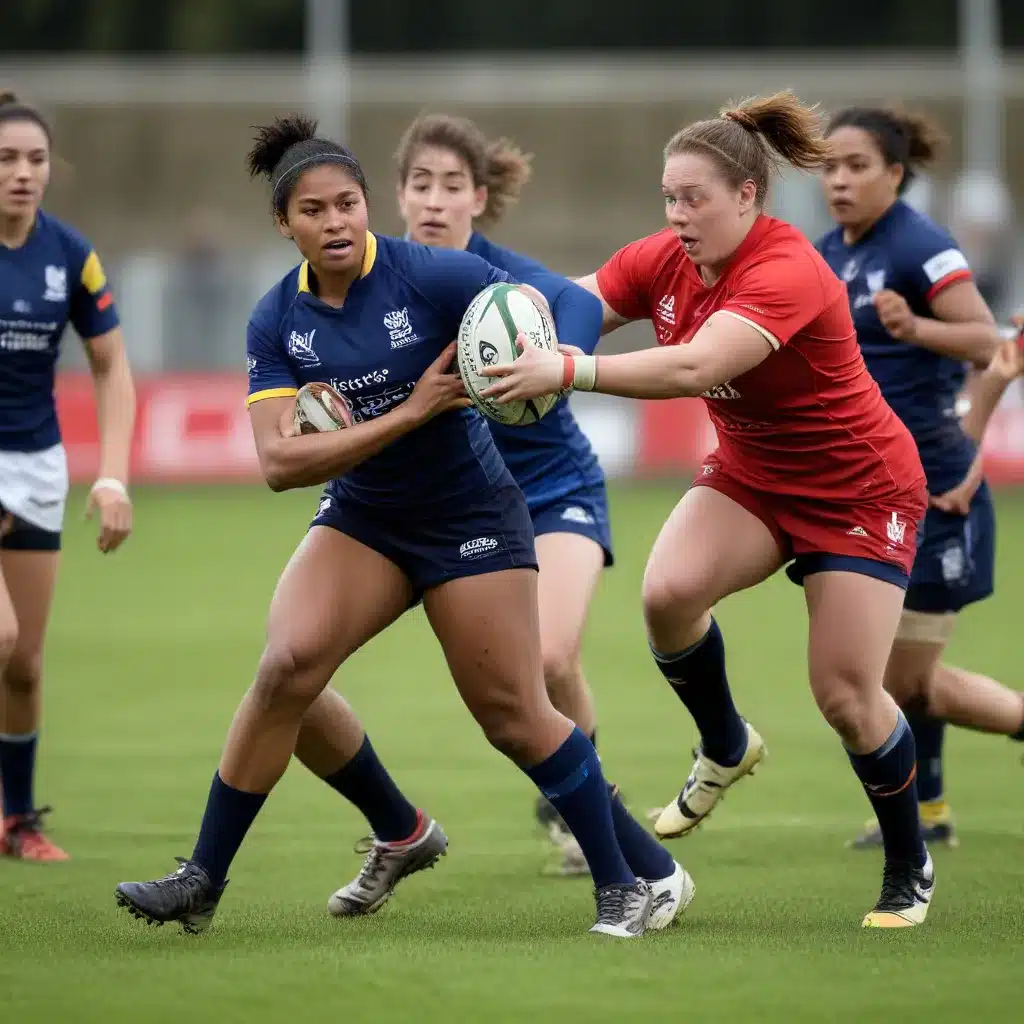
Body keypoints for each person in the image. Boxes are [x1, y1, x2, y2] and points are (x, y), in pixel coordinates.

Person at [114, 115, 689, 939]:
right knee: (287, 670)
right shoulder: (276, 321)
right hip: (367, 517)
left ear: (366, 204)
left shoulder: (432, 274)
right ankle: (204, 876)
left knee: (516, 717)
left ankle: (621, 884)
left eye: (348, 204)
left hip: (470, 518)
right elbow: (278, 464)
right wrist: (408, 412)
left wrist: (549, 361)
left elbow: (567, 300)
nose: (336, 222)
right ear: (286, 225)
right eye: (314, 211)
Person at [480, 91, 937, 928]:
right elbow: (574, 300)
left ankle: (909, 863)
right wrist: (503, 319)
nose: (678, 213)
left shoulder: (787, 268)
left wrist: (567, 371)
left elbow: (693, 369)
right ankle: (726, 743)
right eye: (668, 196)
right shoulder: (665, 258)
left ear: (748, 198)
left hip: (859, 490)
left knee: (844, 694)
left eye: (694, 198)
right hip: (756, 475)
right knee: (666, 595)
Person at [392, 113, 612, 875]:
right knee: (515, 683)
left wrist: (564, 356)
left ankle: (584, 806)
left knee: (551, 659)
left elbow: (580, 305)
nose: (434, 200)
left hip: (555, 490)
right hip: (464, 507)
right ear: (398, 195)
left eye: (452, 185)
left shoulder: (500, 279)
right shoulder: (381, 282)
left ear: (479, 198)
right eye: (420, 183)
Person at [817, 107, 1024, 850]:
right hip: (863, 491)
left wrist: (914, 330)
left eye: (856, 166)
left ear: (896, 175)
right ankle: (929, 815)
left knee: (903, 681)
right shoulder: (825, 254)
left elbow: (985, 337)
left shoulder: (922, 247)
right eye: (830, 166)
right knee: (895, 671)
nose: (838, 180)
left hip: (936, 486)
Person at [0, 91, 135, 861]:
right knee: (0, 634)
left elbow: (112, 367)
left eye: (36, 160)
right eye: (7, 160)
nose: (24, 174)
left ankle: (17, 819)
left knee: (23, 661)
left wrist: (112, 477)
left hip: (36, 467)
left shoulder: (69, 254)